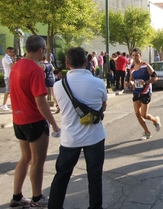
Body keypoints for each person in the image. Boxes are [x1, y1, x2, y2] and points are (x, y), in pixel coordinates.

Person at [48, 47, 108, 208]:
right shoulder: (98, 83)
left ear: (67, 64)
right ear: (86, 62)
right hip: (94, 137)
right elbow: (103, 107)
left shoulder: (58, 86)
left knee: (61, 176)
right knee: (95, 177)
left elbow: (60, 105)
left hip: (69, 139)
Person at [8, 35, 60, 208]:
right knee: (38, 160)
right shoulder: (35, 69)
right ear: (40, 49)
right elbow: (41, 102)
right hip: (34, 120)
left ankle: (17, 196)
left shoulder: (16, 66)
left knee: (25, 158)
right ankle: (37, 198)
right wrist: (53, 123)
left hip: (19, 120)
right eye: (44, 49)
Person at [126, 48, 161, 140]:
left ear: (140, 55)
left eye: (136, 55)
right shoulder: (132, 68)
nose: (134, 57)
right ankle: (147, 132)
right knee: (137, 114)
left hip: (146, 92)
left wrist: (146, 82)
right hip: (136, 92)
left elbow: (156, 78)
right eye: (133, 55)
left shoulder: (146, 66)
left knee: (144, 115)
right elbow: (131, 79)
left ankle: (155, 120)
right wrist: (130, 83)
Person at [1, 46, 15, 111]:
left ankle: (9, 104)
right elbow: (13, 65)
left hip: (10, 76)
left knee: (10, 91)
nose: (13, 53)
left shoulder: (8, 58)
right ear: (9, 51)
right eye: (12, 52)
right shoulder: (7, 58)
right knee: (8, 91)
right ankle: (3, 104)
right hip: (8, 76)